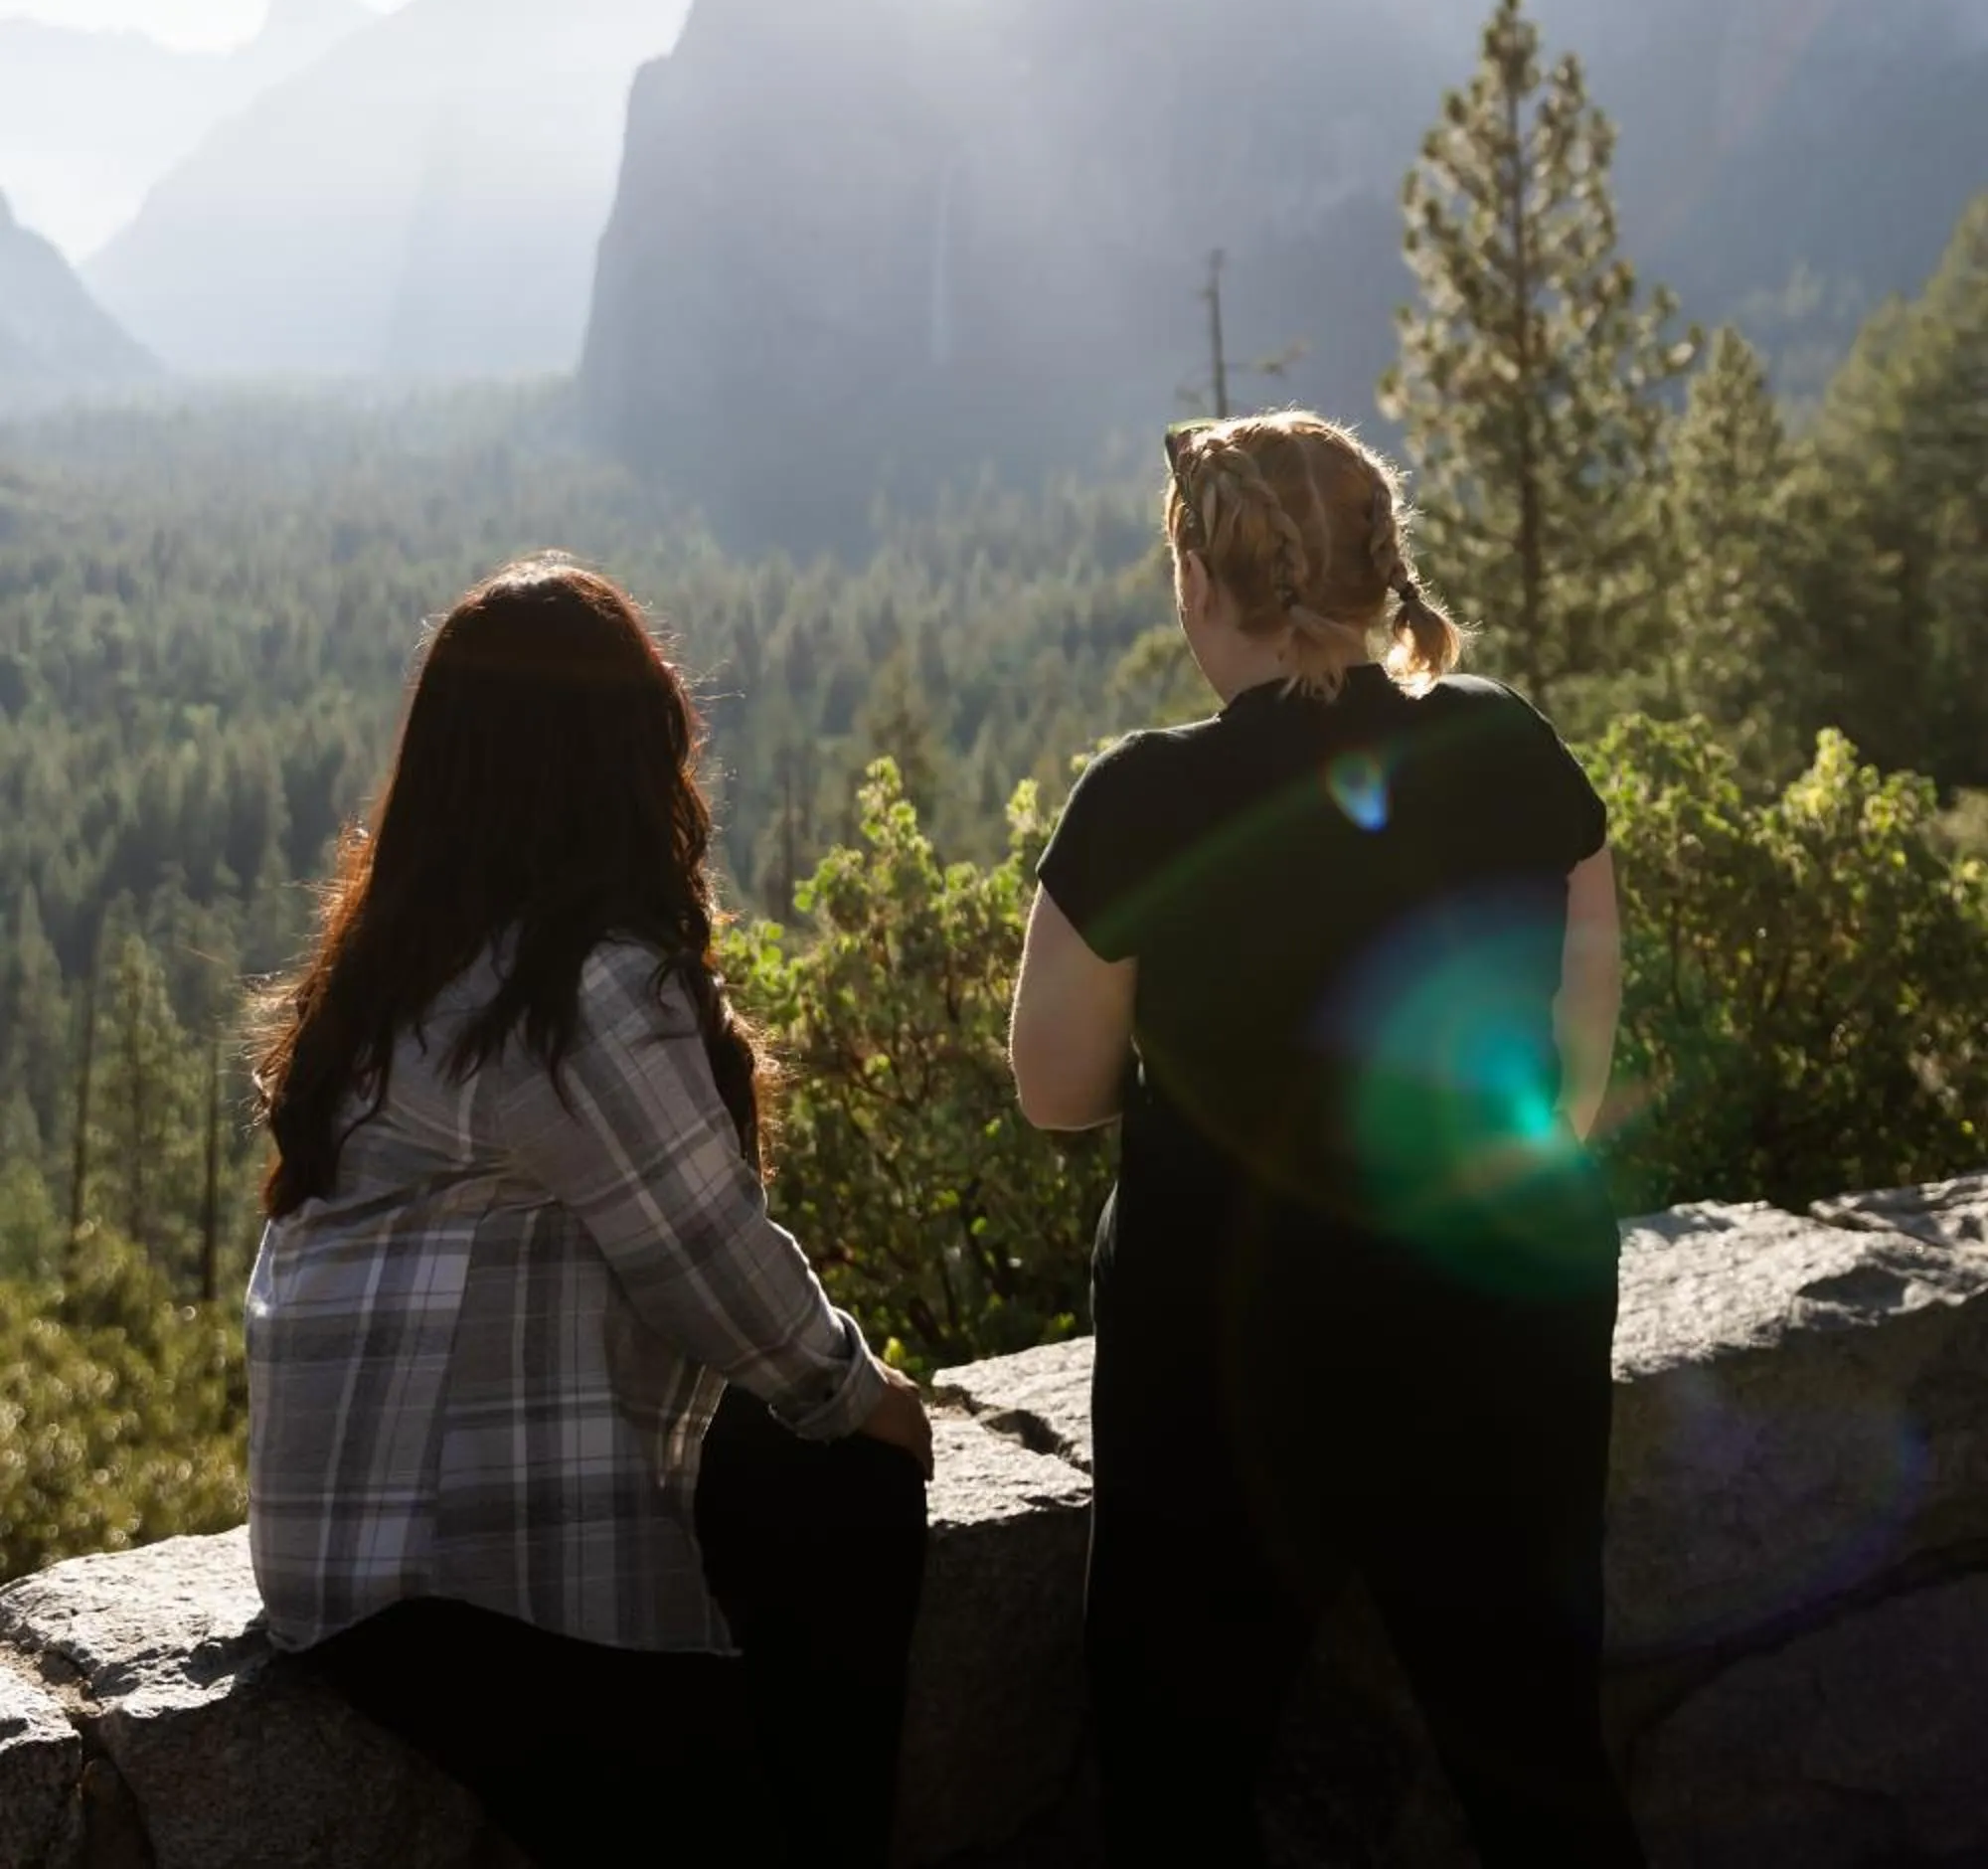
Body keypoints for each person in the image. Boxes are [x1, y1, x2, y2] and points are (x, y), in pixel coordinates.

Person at [1009, 414, 1647, 1869]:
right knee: (1538, 1758)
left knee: (1184, 1775)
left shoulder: (1145, 797)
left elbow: (1054, 1085)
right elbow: (1580, 1065)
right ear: (1381, 565)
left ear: (1195, 579)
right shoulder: (1511, 747)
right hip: (1501, 1311)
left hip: (1229, 1343)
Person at [247, 556, 931, 1869]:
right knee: (854, 1475)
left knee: (822, 1505)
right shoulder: (576, 992)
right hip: (456, 1567)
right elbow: (708, 1261)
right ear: (625, 764)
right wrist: (869, 1397)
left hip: (352, 1539)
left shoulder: (410, 953)